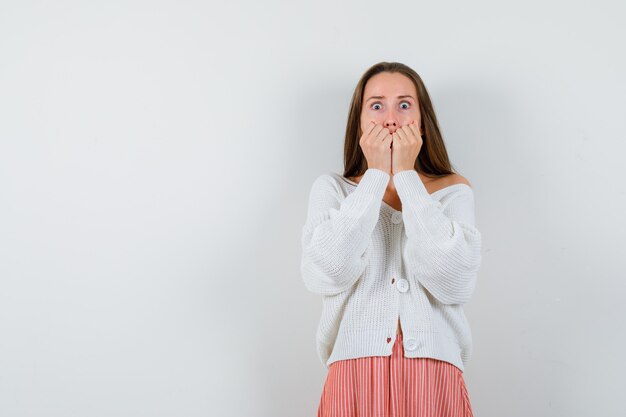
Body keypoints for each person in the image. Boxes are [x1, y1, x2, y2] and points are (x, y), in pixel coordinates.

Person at [300, 61, 482, 417]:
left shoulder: (453, 191)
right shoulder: (333, 190)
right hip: (353, 376)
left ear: (422, 119)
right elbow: (325, 272)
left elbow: (455, 281)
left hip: (434, 377)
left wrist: (409, 178)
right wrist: (376, 176)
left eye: (404, 104)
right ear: (360, 121)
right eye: (377, 105)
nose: (391, 118)